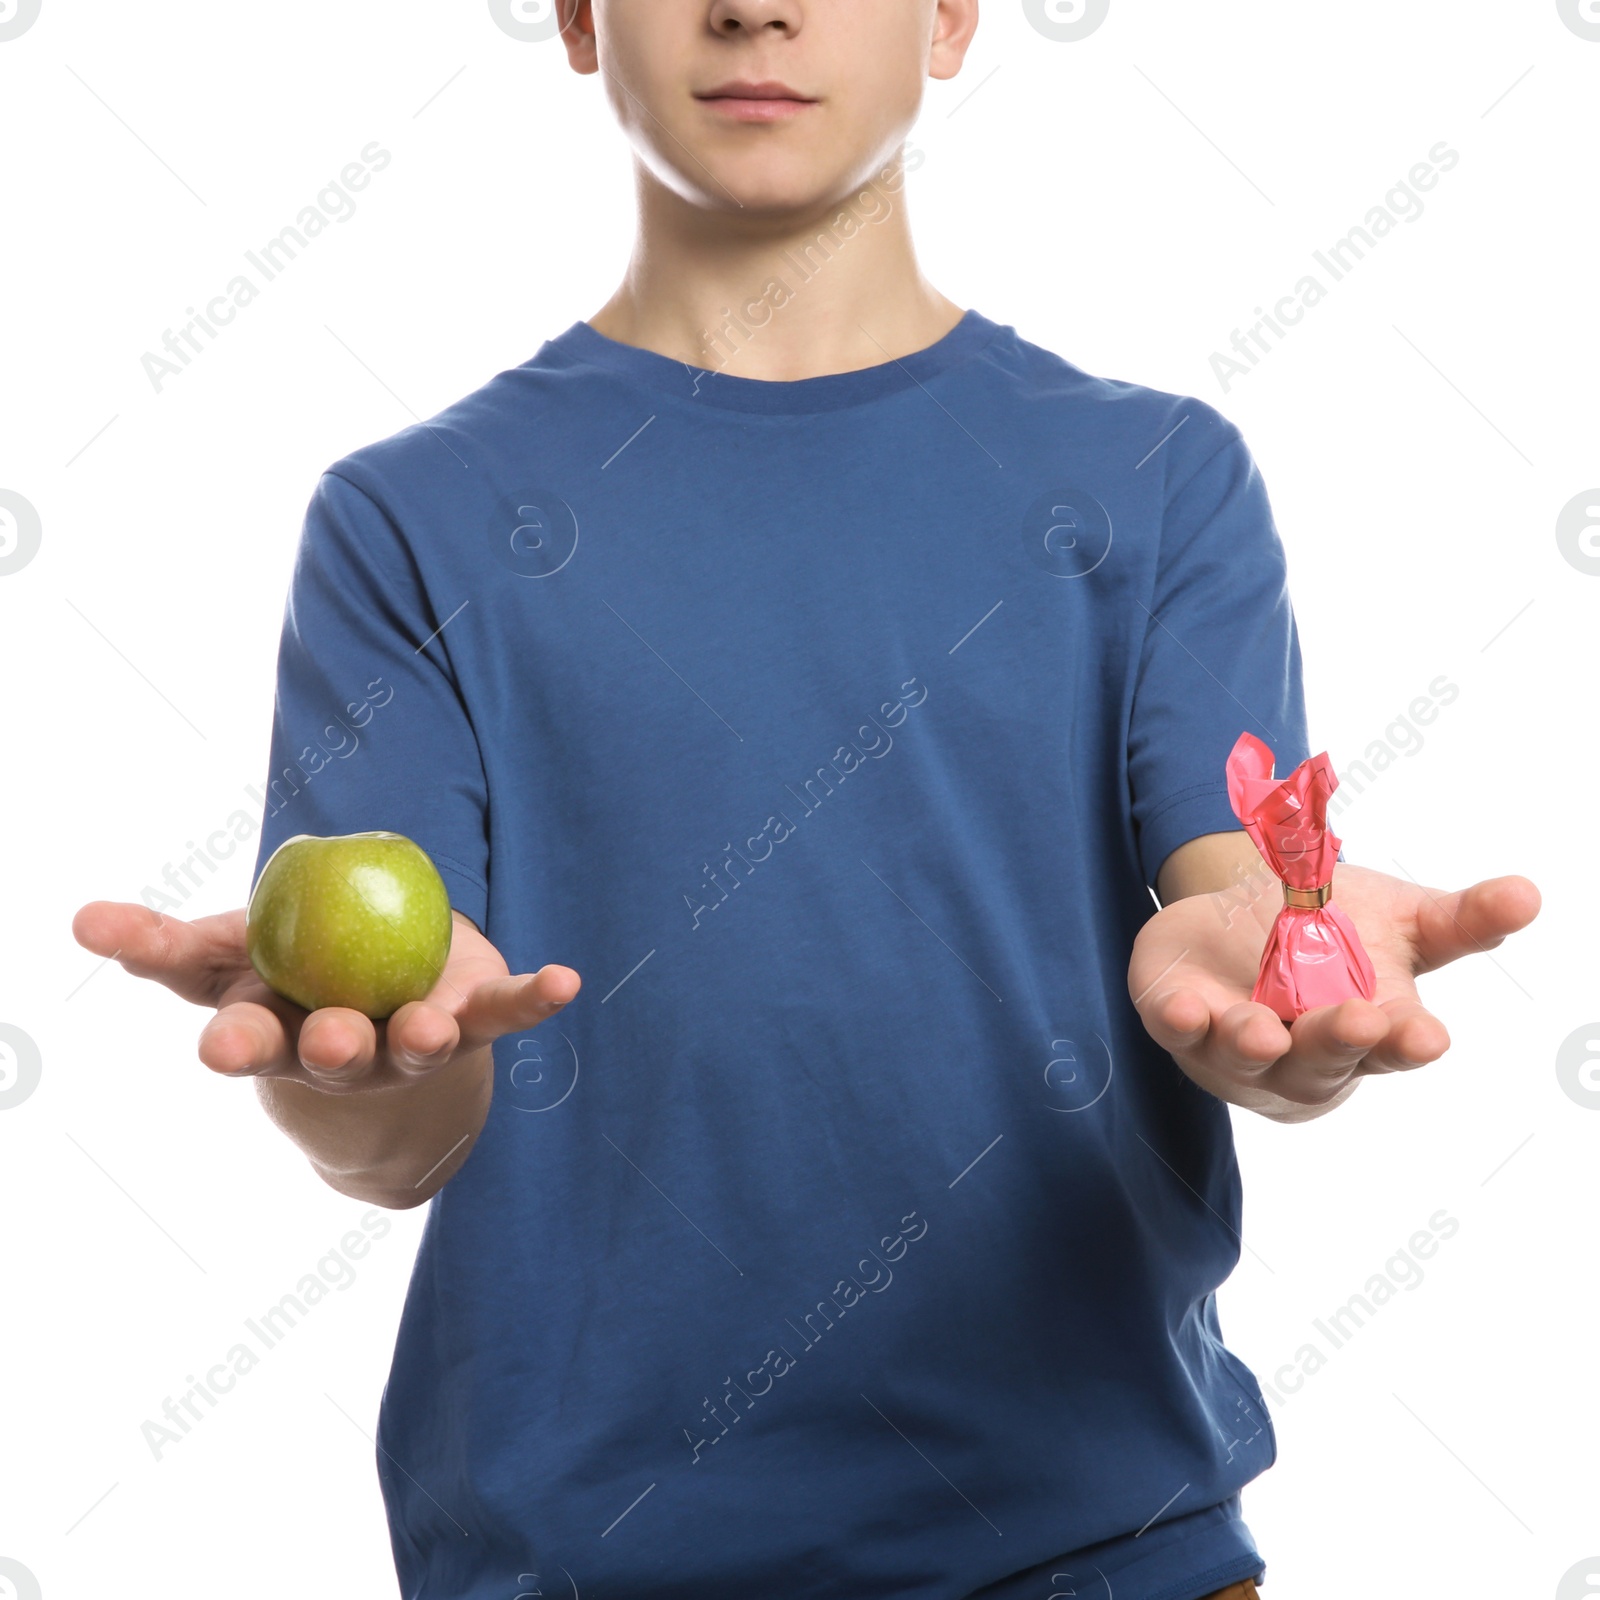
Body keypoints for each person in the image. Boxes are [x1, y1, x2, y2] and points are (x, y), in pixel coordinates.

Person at [72, 3, 1540, 1595]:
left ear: (953, 18)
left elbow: (1238, 915)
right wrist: (348, 1083)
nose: (753, 3)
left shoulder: (1160, 479)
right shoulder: (407, 521)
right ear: (576, 18)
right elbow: (402, 1100)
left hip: (1105, 1559)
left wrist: (1291, 990)